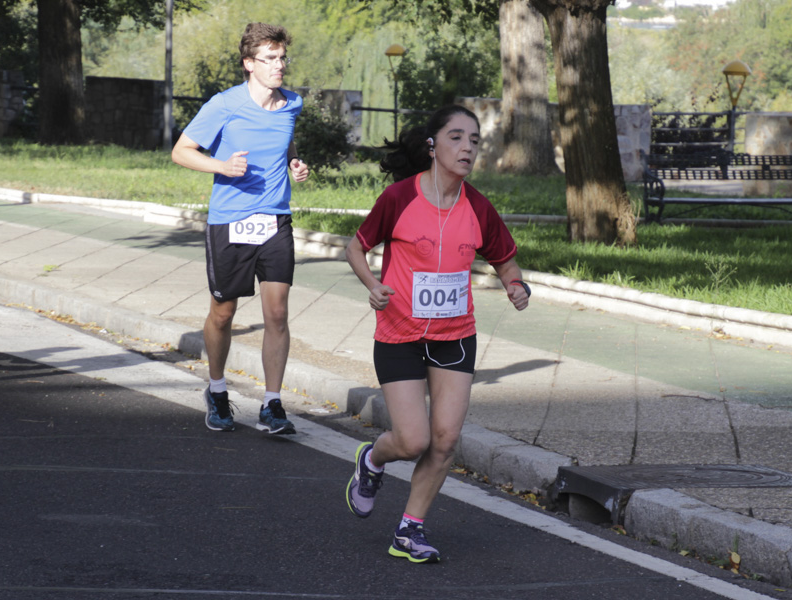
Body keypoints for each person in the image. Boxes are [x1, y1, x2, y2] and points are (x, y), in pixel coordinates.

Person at [344, 105, 530, 563]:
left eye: (474, 140)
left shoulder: (478, 207)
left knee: (445, 440)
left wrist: (515, 284)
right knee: (413, 440)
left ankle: (410, 529)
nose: (467, 147)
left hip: (454, 336)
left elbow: (504, 258)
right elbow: (356, 246)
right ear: (433, 146)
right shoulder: (400, 198)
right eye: (456, 138)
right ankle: (372, 460)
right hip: (399, 333)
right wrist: (374, 285)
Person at [171, 22, 309, 434]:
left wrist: (294, 163)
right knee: (223, 312)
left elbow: (286, 141)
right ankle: (216, 390)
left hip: (275, 219)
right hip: (230, 221)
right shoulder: (224, 104)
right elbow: (181, 151)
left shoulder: (292, 104)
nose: (279, 66)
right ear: (250, 64)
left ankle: (272, 403)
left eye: (282, 57)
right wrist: (221, 166)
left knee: (278, 313)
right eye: (270, 59)